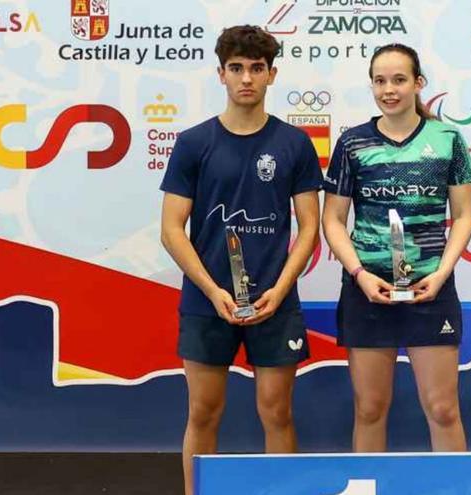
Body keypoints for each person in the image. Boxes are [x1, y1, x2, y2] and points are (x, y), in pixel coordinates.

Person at [159, 25, 322, 494]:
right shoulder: (194, 143)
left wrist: (281, 286)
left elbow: (309, 225)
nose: (246, 78)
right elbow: (172, 229)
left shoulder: (294, 143)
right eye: (236, 69)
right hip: (206, 302)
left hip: (275, 300)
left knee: (277, 411)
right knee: (203, 412)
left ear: (272, 75)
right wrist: (213, 291)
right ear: (221, 74)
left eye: (256, 68)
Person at [322, 43, 471, 452]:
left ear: (418, 83)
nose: (389, 89)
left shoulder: (448, 140)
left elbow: (463, 215)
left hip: (432, 290)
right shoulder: (352, 143)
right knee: (370, 409)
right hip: (367, 290)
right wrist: (360, 274)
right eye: (379, 80)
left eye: (399, 80)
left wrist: (441, 274)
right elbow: (332, 220)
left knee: (443, 408)